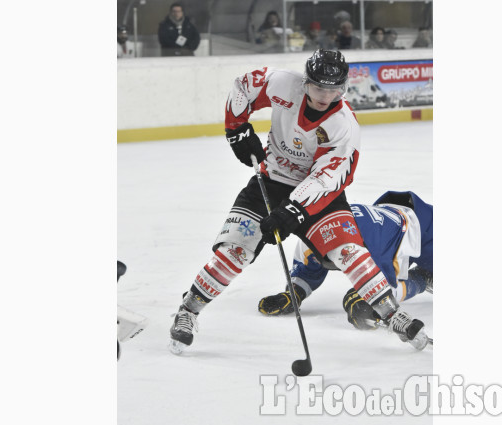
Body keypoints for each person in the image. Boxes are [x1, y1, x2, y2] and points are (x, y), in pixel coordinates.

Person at [169, 49, 399, 355]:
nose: (325, 95)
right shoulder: (282, 84)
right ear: (306, 82)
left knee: (348, 251)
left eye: (334, 89)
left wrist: (292, 210)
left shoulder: (344, 125)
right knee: (235, 250)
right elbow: (243, 87)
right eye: (319, 87)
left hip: (319, 197)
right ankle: (188, 310)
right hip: (272, 180)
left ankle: (394, 315)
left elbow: (327, 179)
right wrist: (235, 129)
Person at [258, 191, 433, 349]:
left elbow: (386, 289)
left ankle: (424, 278)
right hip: (388, 218)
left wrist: (370, 301)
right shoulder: (311, 236)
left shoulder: (369, 246)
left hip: (420, 228)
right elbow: (307, 269)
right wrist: (293, 293)